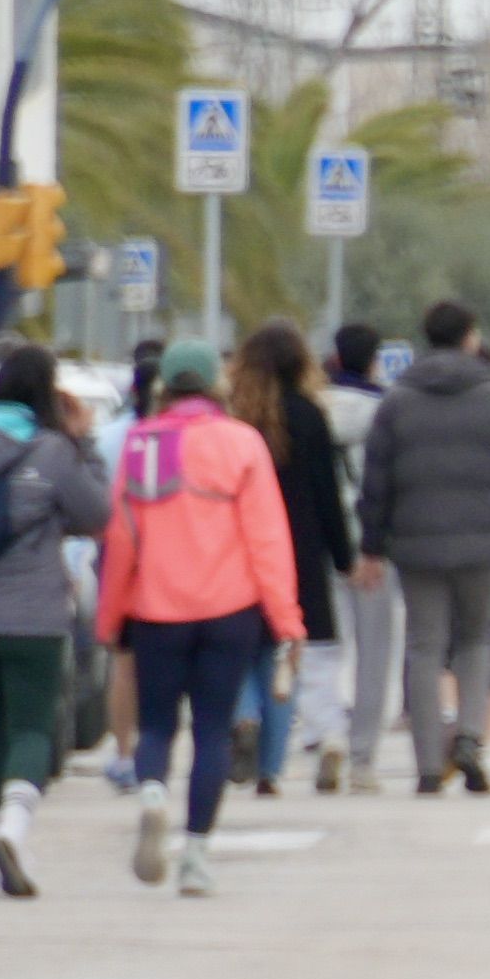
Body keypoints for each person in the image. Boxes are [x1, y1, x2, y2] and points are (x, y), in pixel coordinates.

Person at [96, 338, 306, 896]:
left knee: (158, 725)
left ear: (164, 386)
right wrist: (286, 622)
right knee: (212, 730)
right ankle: (195, 855)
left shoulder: (142, 444)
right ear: (217, 385)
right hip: (228, 611)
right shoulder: (243, 444)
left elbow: (120, 539)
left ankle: (152, 797)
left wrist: (111, 617)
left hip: (155, 609)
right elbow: (267, 541)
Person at [0, 339, 108, 896]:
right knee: (31, 727)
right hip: (32, 613)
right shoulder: (53, 451)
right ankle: (13, 828)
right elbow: (99, 513)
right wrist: (86, 443)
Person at [355, 299, 490, 794]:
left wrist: (372, 545)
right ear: (470, 337)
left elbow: (376, 482)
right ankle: (471, 739)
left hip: (416, 545)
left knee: (423, 646)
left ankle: (429, 763)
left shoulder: (397, 401)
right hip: (486, 542)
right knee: (477, 641)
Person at [232, 319, 353, 795]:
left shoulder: (236, 417)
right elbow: (328, 494)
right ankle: (277, 768)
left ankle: (243, 717)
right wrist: (343, 556)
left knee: (241, 651)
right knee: (291, 654)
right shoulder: (309, 415)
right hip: (299, 550)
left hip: (239, 550)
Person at [315, 321, 398, 789]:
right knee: (374, 650)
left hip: (323, 539)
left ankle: (327, 733)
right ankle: (363, 756)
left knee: (322, 647)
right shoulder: (387, 412)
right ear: (374, 361)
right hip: (373, 542)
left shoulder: (313, 408)